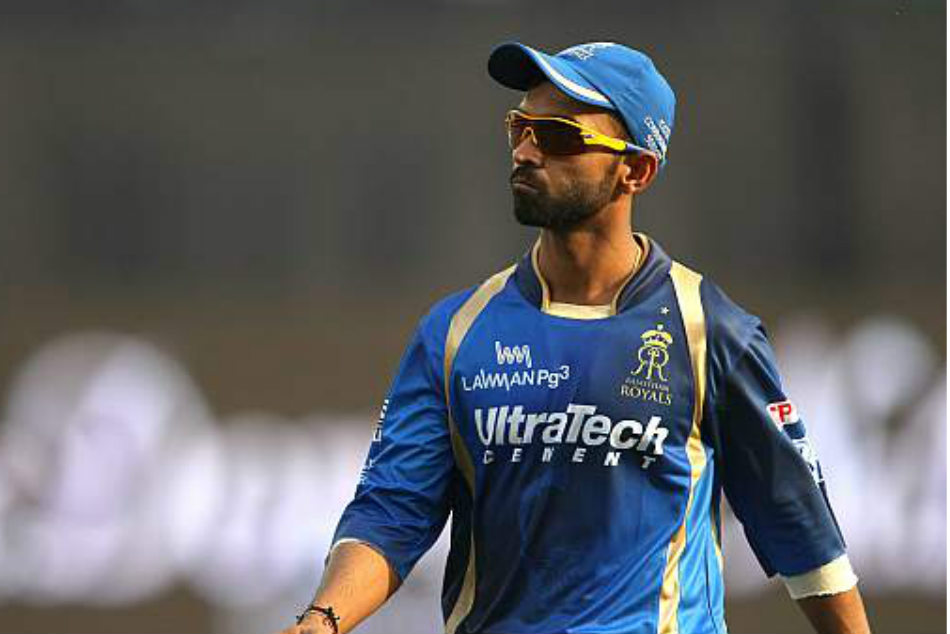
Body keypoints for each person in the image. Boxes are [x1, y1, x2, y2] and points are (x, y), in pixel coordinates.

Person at [280, 41, 871, 634]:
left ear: (636, 170)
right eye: (520, 128)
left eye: (558, 136)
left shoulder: (710, 330)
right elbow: (391, 512)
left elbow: (798, 525)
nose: (525, 151)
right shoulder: (454, 332)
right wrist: (321, 622)